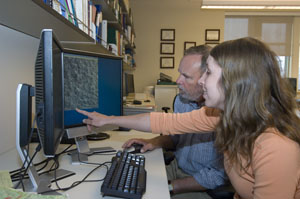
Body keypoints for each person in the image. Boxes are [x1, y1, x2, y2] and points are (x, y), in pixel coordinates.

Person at [77, 37, 300, 199]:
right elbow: (164, 122)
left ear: (235, 83)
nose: (202, 81)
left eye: (209, 73)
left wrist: (169, 187)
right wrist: (108, 119)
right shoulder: (224, 117)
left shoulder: (276, 147)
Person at [122, 45, 229, 199]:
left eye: (187, 76)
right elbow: (176, 137)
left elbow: (217, 176)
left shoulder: (223, 115)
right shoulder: (182, 101)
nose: (178, 81)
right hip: (177, 168)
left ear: (207, 79)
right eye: (180, 73)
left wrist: (171, 186)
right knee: (130, 182)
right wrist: (152, 142)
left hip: (205, 186)